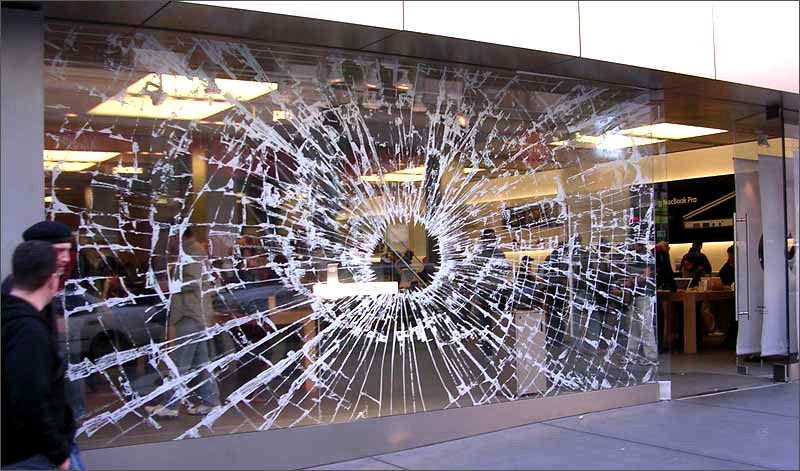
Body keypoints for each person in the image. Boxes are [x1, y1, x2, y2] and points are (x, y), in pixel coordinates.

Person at [2, 241, 81, 470]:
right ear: (51, 279)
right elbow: (30, 399)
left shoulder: (10, 317)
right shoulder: (28, 331)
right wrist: (58, 454)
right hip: (31, 456)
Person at [145, 227, 221, 418]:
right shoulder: (189, 251)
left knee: (178, 362)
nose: (168, 242)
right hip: (195, 314)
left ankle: (171, 405)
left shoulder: (192, 250)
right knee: (201, 363)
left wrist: (169, 283)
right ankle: (211, 402)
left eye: (170, 237)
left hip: (190, 314)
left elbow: (193, 281)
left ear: (179, 235)